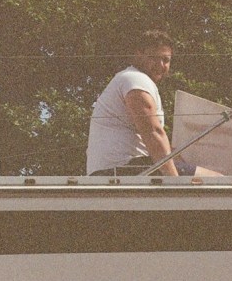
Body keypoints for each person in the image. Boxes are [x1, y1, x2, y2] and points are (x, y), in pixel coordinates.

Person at [86, 30, 220, 177]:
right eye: (154, 58)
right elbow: (153, 133)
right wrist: (176, 184)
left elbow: (163, 146)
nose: (160, 65)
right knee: (219, 181)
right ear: (138, 55)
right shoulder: (135, 80)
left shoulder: (130, 80)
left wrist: (183, 164)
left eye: (166, 60)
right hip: (122, 170)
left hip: (119, 170)